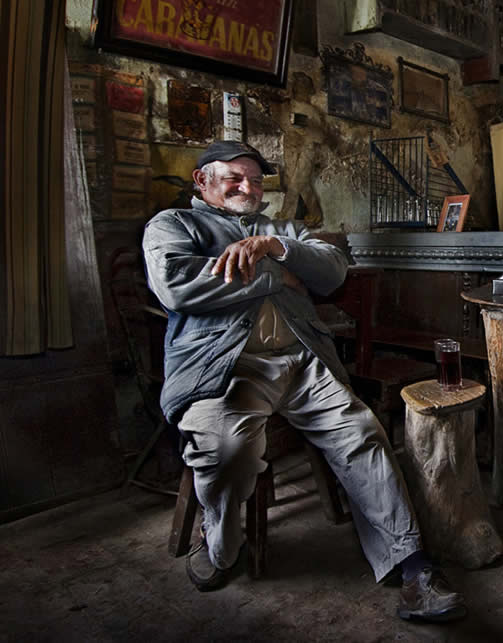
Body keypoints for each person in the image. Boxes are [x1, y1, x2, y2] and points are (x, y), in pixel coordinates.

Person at [143, 141, 465, 622]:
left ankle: (413, 566)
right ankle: (219, 546)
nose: (248, 187)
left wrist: (274, 247)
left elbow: (332, 271)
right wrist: (278, 276)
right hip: (225, 368)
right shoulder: (173, 226)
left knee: (362, 434)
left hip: (301, 360)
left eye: (255, 179)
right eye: (234, 177)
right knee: (227, 450)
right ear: (201, 180)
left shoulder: (283, 229)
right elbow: (178, 286)